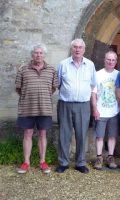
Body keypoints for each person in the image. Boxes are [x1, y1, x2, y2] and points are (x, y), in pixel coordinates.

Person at [15, 44, 58, 174]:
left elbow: (54, 88)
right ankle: (26, 162)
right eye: (35, 53)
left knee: (42, 134)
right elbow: (18, 88)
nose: (38, 55)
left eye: (40, 53)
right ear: (32, 54)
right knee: (27, 134)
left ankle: (42, 161)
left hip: (44, 108)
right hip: (27, 108)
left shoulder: (51, 70)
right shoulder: (23, 69)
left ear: (44, 55)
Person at [56, 38, 97, 174]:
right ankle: (63, 162)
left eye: (80, 47)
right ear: (71, 49)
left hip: (83, 105)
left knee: (81, 134)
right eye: (75, 47)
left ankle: (80, 162)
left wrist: (93, 107)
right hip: (65, 104)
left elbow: (93, 86)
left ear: (84, 50)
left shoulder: (90, 65)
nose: (77, 49)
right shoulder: (63, 64)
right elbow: (58, 84)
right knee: (64, 134)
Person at [91, 50, 119, 170]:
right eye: (108, 59)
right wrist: (95, 109)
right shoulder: (97, 74)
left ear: (116, 61)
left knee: (112, 136)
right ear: (104, 60)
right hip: (101, 110)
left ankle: (110, 157)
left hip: (115, 111)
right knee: (100, 136)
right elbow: (93, 94)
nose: (110, 62)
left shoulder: (119, 74)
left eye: (113, 60)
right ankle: (99, 157)